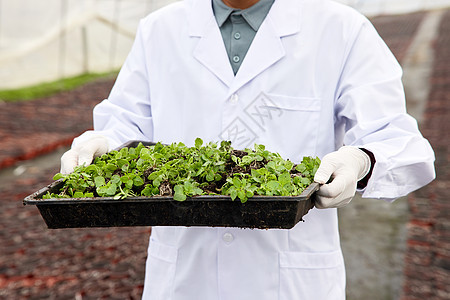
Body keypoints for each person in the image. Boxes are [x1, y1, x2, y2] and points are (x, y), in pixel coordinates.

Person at [60, 0, 436, 298]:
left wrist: (361, 160)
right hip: (186, 277)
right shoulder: (160, 30)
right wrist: (104, 140)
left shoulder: (340, 29)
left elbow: (398, 140)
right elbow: (127, 120)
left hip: (290, 280)